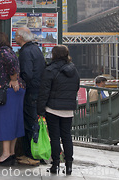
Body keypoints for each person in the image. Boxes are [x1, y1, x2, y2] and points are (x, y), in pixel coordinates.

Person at [37, 45, 80, 176]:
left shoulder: (50, 70)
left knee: (55, 137)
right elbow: (76, 87)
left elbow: (44, 92)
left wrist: (40, 110)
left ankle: (55, 164)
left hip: (53, 109)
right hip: (68, 109)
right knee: (67, 136)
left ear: (54, 55)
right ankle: (69, 166)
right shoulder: (74, 70)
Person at [0, 32, 26, 166]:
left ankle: (5, 155)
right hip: (16, 92)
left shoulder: (1, 52)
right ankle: (11, 152)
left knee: (4, 122)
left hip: (7, 92)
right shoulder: (10, 51)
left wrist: (13, 79)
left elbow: (11, 64)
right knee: (14, 122)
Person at [16, 26, 45, 166]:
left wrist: (18, 81)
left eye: (16, 35)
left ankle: (31, 155)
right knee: (34, 122)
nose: (15, 38)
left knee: (29, 123)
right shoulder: (35, 49)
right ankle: (33, 154)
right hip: (37, 91)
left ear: (21, 38)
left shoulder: (25, 52)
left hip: (31, 92)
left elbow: (27, 74)